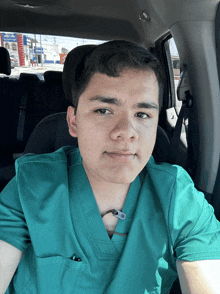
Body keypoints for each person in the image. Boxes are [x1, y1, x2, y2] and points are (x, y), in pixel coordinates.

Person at [0, 40, 220, 294]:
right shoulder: (30, 185)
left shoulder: (178, 198)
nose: (126, 132)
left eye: (142, 114)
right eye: (103, 110)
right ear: (73, 121)